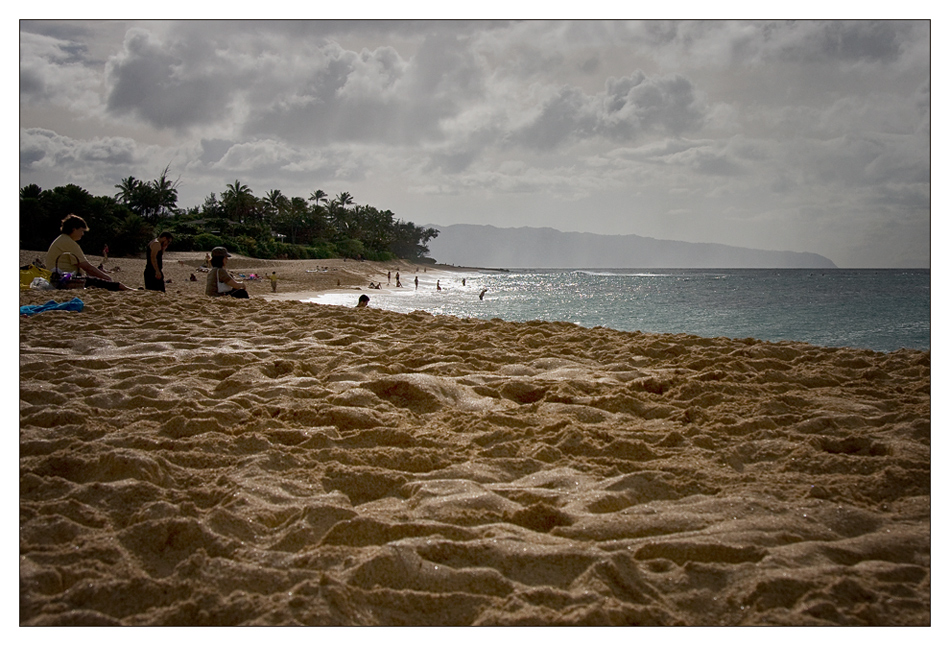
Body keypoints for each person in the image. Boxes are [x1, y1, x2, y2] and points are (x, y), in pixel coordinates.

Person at [45, 214, 131, 291]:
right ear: (74, 229)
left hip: (58, 276)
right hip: (64, 278)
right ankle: (127, 289)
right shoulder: (68, 242)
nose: (82, 234)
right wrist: (107, 277)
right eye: (81, 231)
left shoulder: (63, 239)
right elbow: (87, 267)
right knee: (102, 283)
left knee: (96, 281)